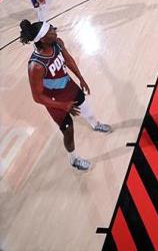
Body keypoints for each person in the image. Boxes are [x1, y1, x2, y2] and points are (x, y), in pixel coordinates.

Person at [20, 20, 111, 171]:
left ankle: (95, 124)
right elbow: (37, 97)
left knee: (84, 104)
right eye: (51, 31)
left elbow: (68, 60)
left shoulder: (57, 43)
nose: (55, 31)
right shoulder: (36, 65)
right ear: (43, 39)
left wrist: (81, 78)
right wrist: (62, 105)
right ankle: (74, 159)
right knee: (68, 131)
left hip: (68, 86)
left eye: (52, 28)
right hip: (54, 100)